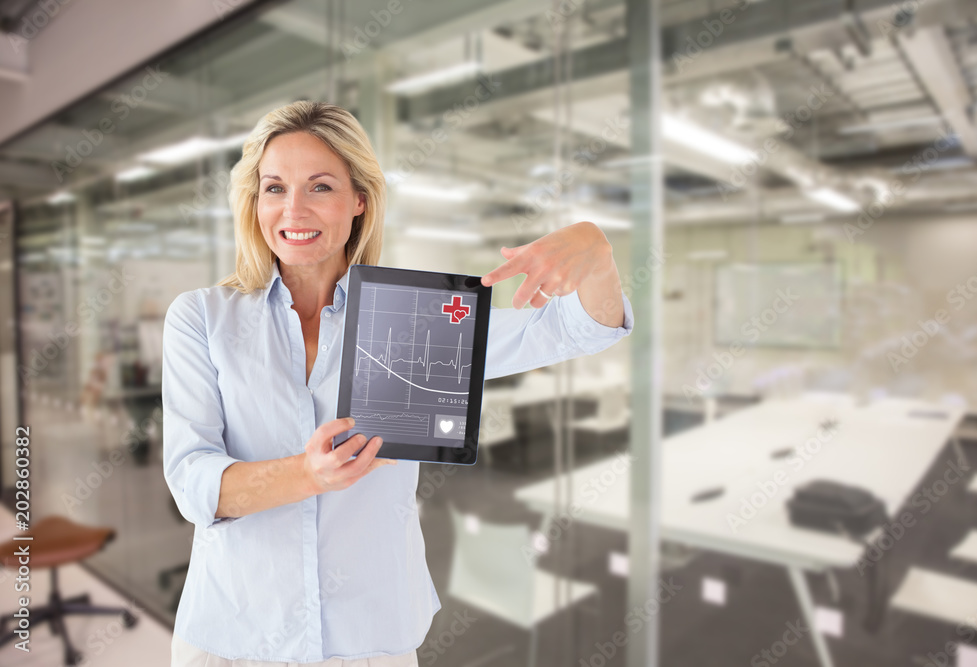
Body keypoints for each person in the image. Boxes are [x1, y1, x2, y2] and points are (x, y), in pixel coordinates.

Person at [162, 100, 634, 667]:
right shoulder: (202, 319)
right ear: (254, 200)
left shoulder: (418, 317)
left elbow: (578, 331)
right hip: (233, 635)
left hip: (367, 638)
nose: (294, 208)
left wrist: (597, 256)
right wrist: (307, 475)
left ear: (359, 200)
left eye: (320, 186)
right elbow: (194, 483)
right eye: (273, 188)